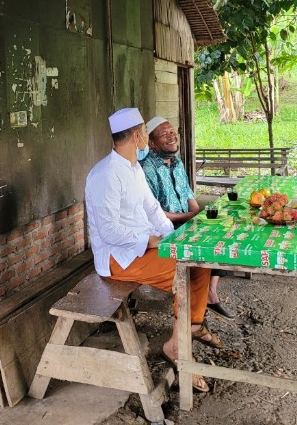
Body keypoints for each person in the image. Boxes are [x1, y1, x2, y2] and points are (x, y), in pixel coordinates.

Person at [85, 107, 222, 393]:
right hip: (118, 257)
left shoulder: (133, 168)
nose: (147, 136)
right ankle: (181, 348)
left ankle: (183, 334)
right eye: (146, 132)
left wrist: (174, 239)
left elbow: (152, 209)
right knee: (186, 272)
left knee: (199, 260)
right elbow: (110, 231)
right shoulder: (106, 175)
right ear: (137, 136)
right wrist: (153, 241)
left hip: (142, 248)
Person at [139, 116, 233, 320]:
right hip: (167, 227)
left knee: (222, 232)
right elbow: (154, 213)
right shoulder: (147, 168)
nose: (171, 136)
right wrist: (190, 217)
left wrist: (197, 214)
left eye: (172, 132)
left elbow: (189, 195)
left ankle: (210, 292)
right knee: (205, 246)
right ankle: (201, 304)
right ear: (152, 143)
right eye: (164, 135)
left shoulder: (176, 161)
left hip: (185, 219)